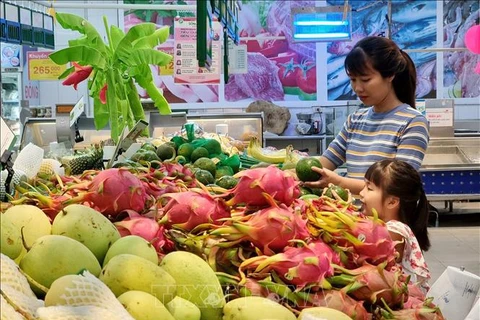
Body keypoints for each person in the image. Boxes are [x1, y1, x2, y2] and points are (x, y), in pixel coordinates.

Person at [305, 36, 429, 195]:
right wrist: (286, 175)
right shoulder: (355, 120)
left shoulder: (413, 122)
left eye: (365, 79)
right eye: (352, 79)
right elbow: (324, 163)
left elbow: (397, 185)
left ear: (390, 75)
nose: (357, 88)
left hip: (386, 220)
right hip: (351, 216)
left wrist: (339, 182)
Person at [359, 159, 431, 292]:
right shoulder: (384, 226)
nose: (361, 193)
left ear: (392, 202)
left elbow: (365, 264)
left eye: (369, 188)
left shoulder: (393, 232)